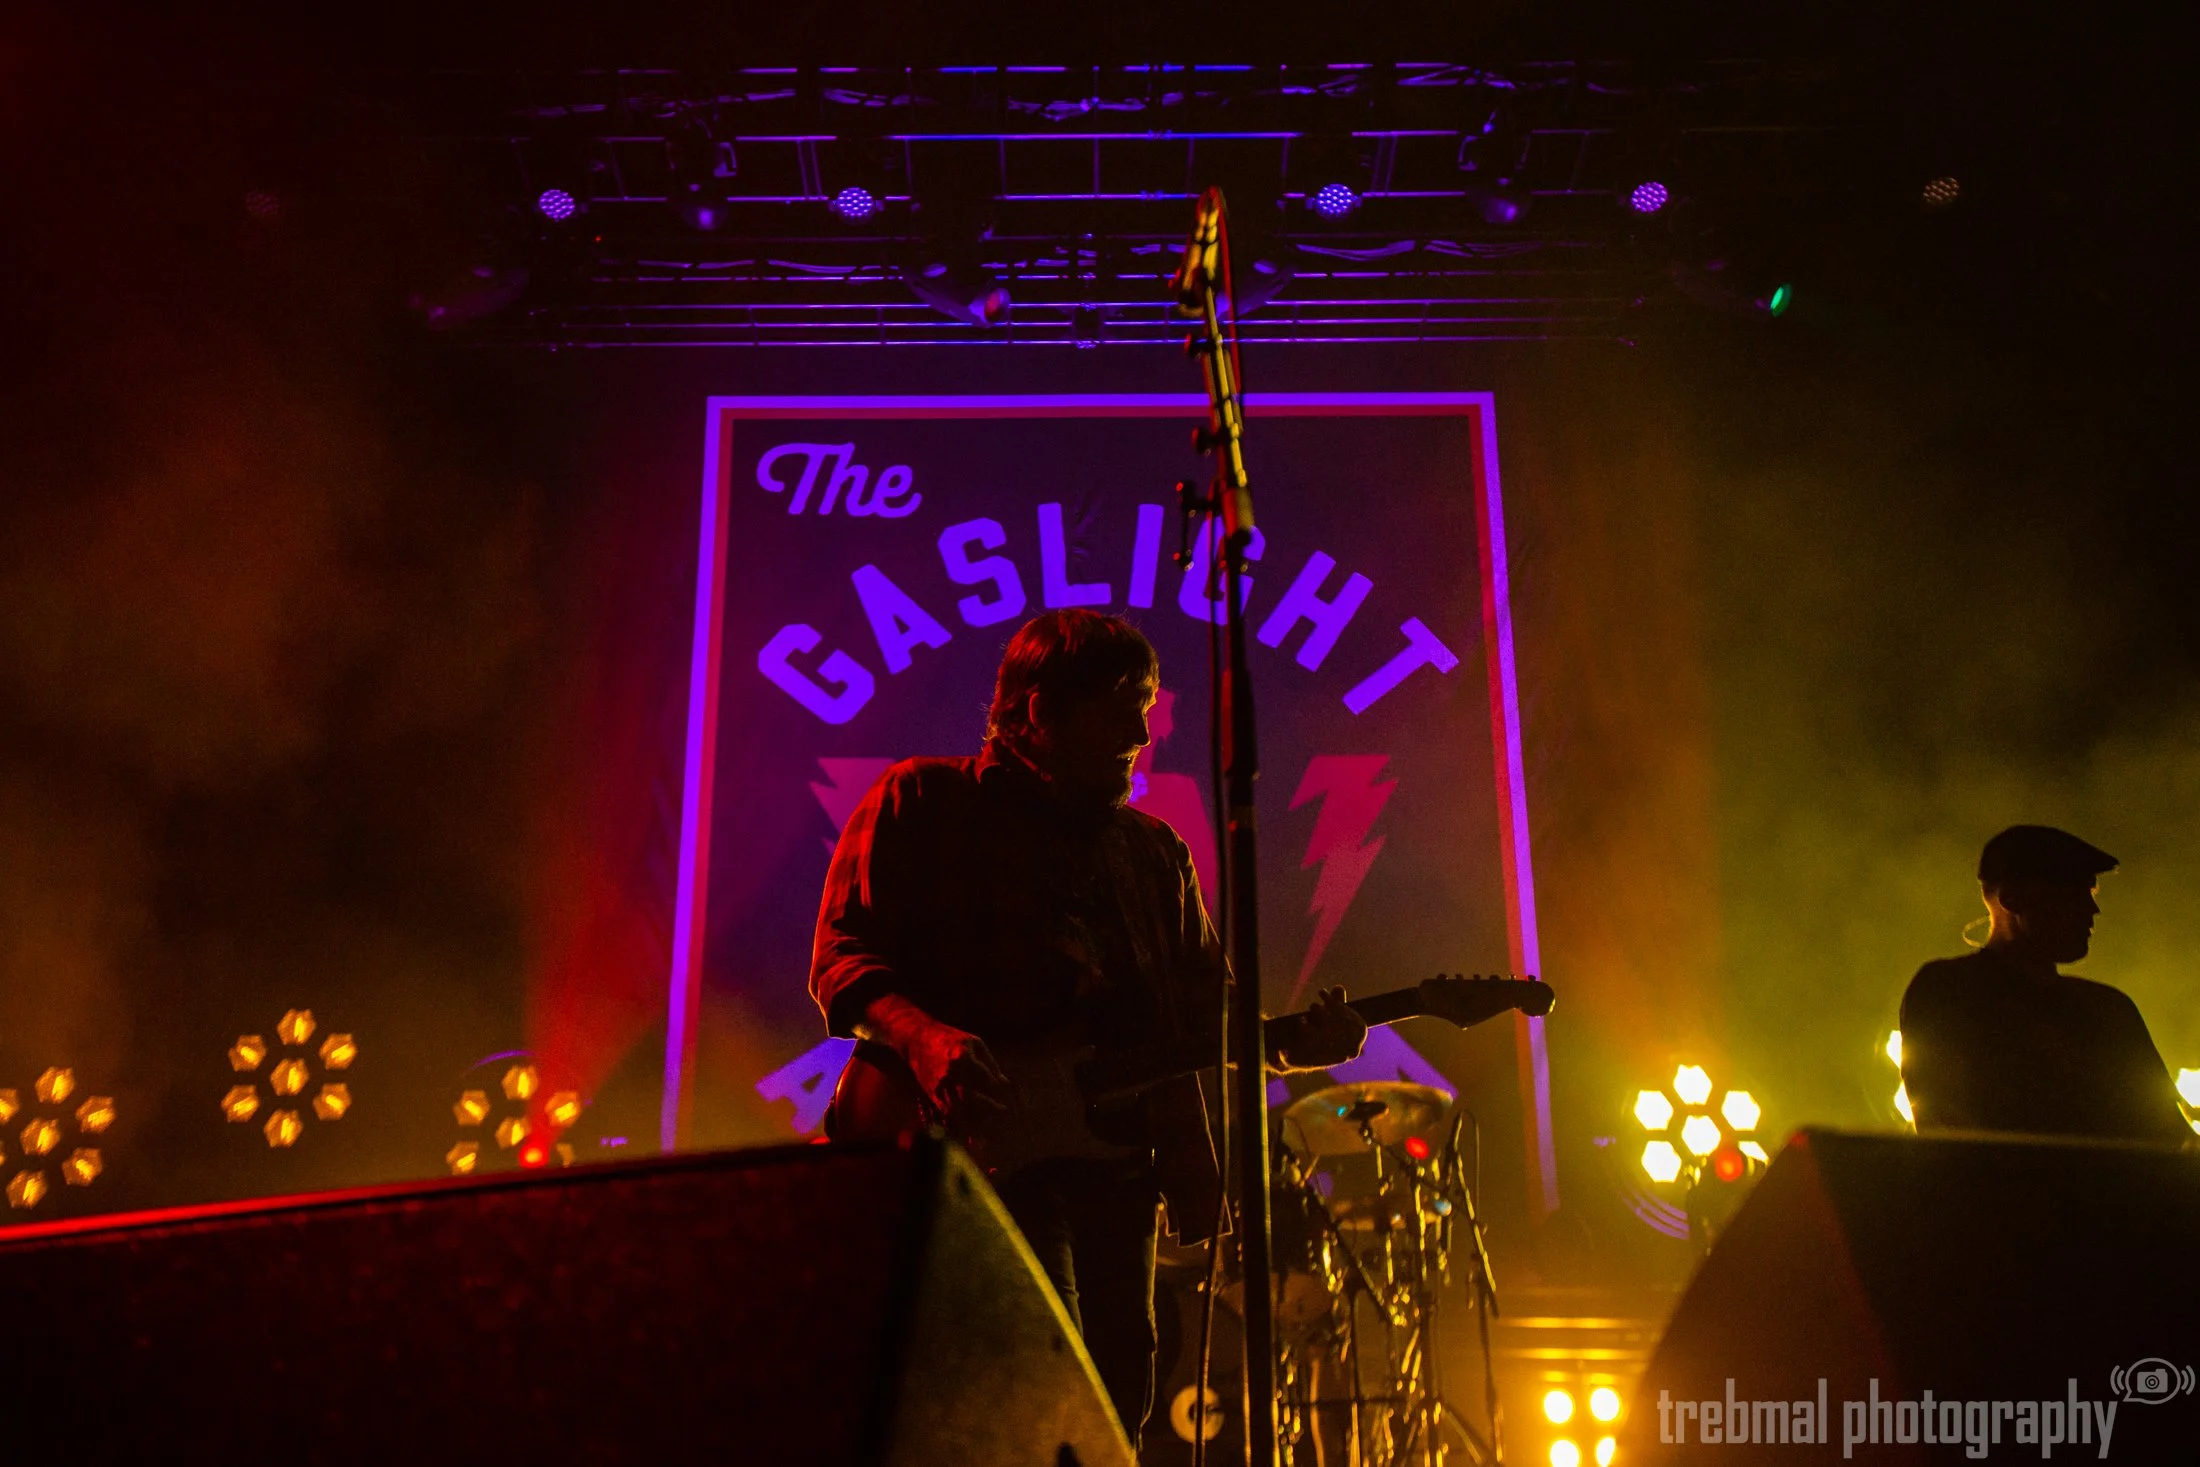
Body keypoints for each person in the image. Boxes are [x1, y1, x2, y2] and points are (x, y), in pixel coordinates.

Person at [810, 608, 1367, 1439]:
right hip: (955, 1160)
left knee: (1115, 1397)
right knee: (1033, 1384)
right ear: (1040, 711)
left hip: (1113, 1171)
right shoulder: (922, 800)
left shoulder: (1152, 853)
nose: (1142, 735)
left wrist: (1292, 1044)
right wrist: (925, 1038)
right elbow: (842, 955)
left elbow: (1206, 1013)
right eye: (1121, 709)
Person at [1898, 825, 2188, 1142]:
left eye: (2090, 893)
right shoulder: (1950, 992)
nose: (2092, 909)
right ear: (2012, 898)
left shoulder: (2111, 1010)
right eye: (2072, 893)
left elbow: (2171, 1137)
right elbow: (1946, 1127)